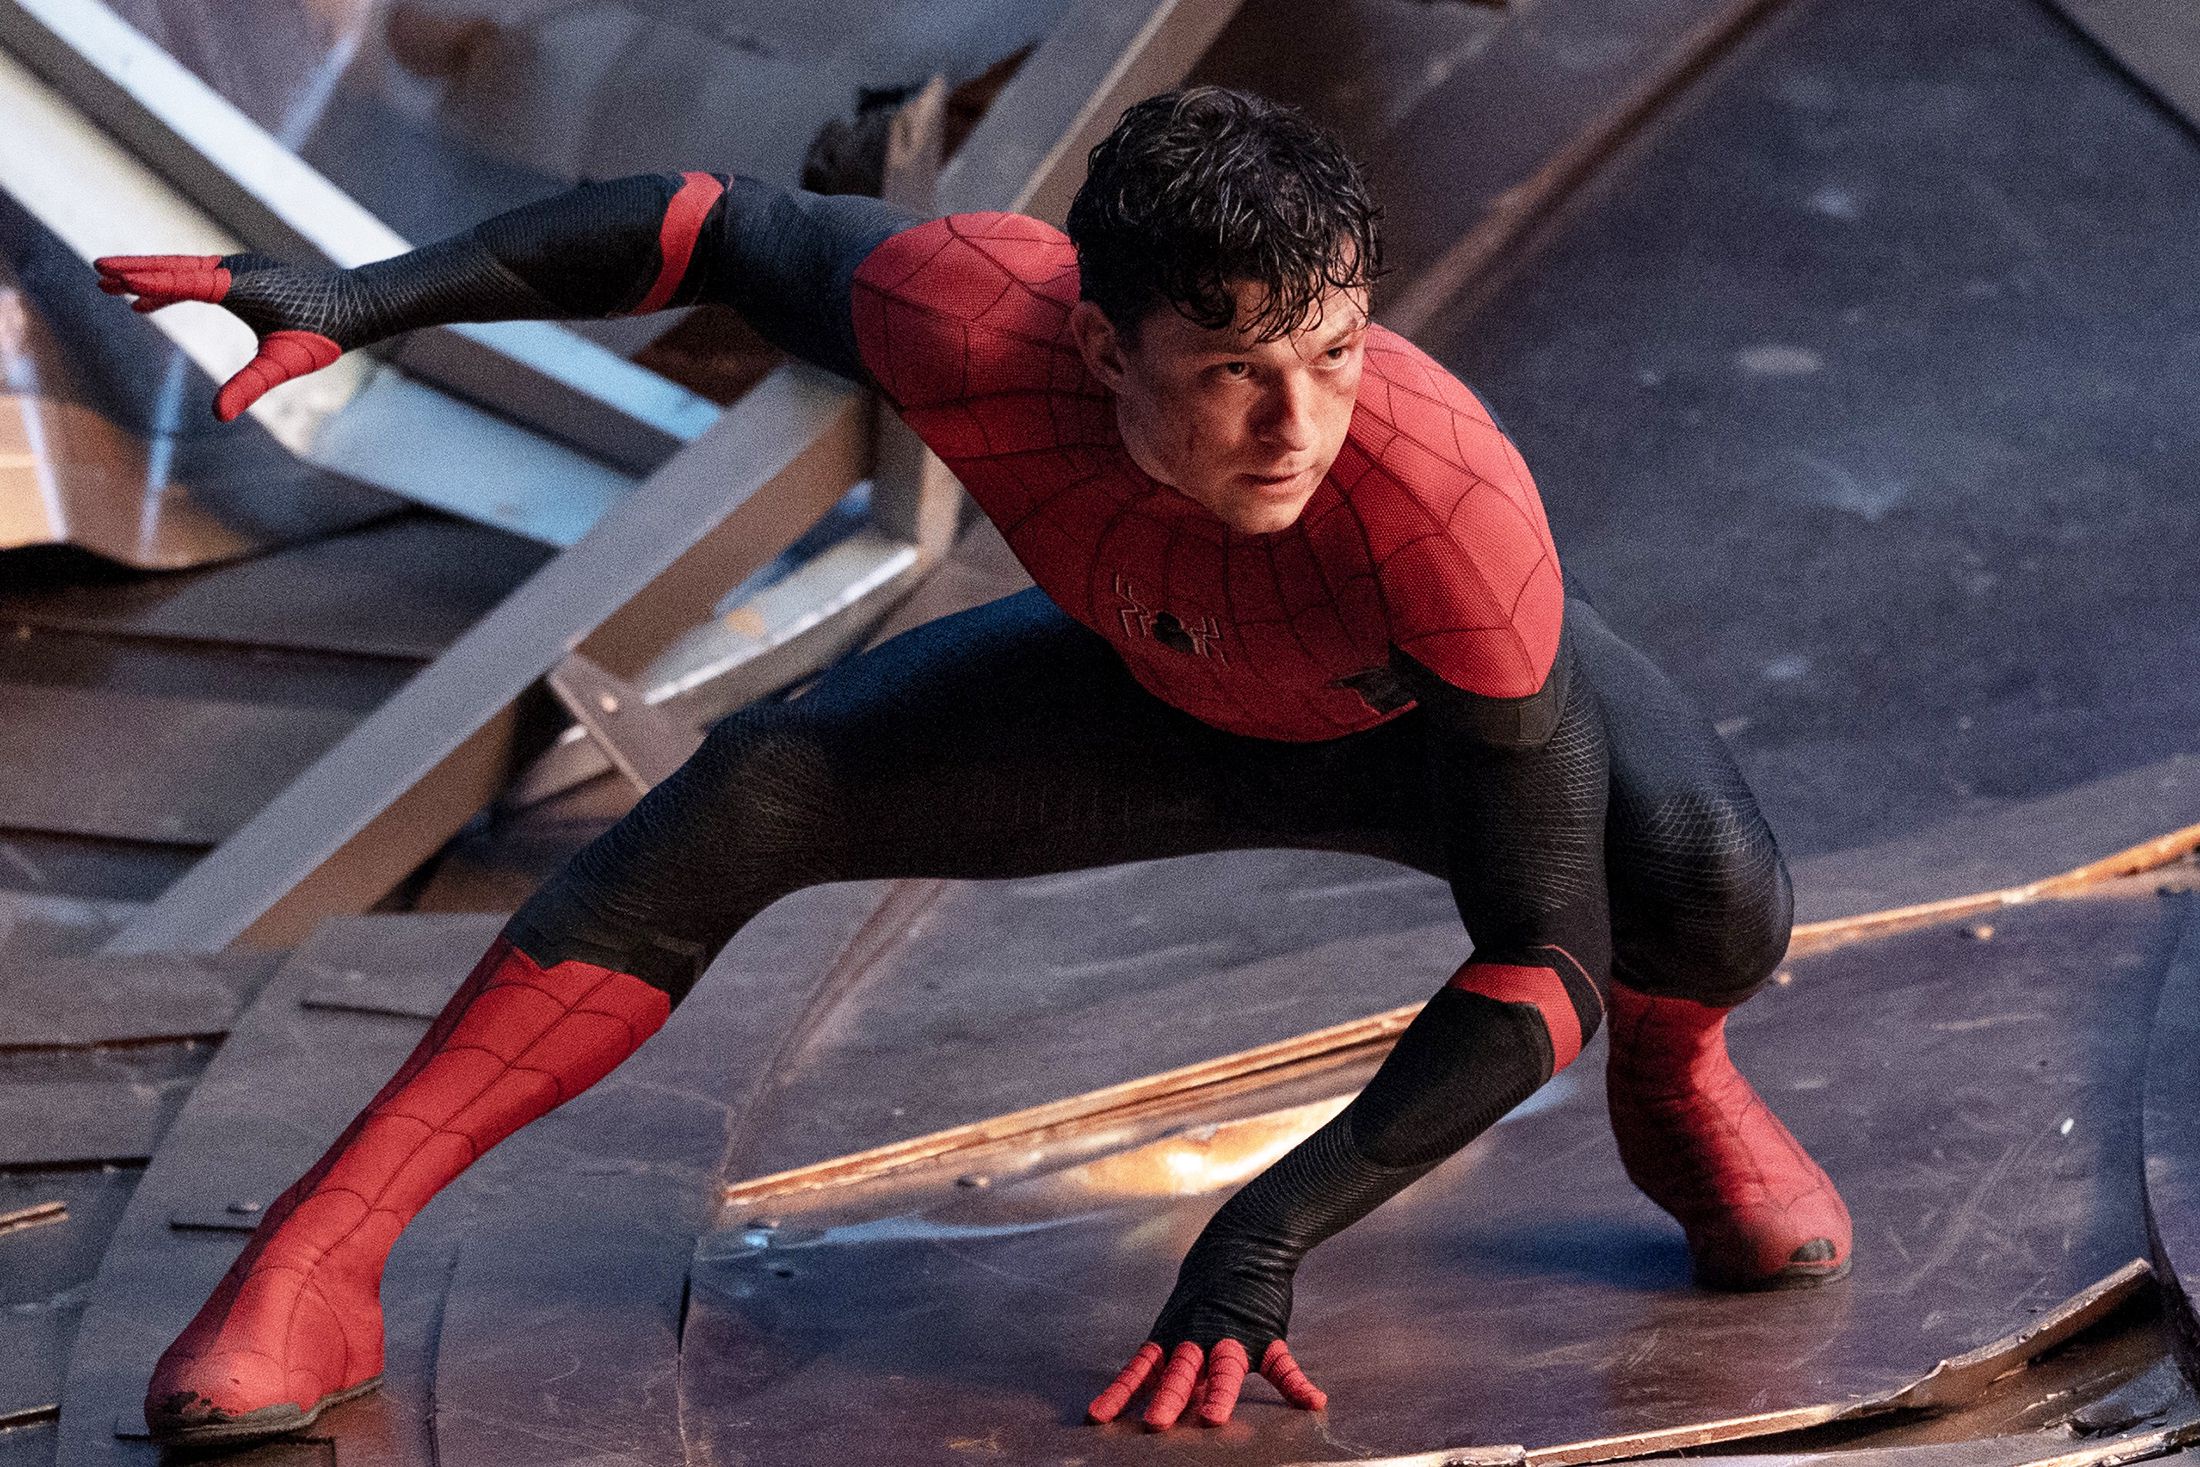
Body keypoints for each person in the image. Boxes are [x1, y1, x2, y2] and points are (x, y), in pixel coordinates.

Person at [97, 85, 1850, 1446]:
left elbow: (1540, 958)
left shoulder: (1445, 510)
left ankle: (1684, 1077)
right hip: (1148, 683)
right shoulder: (974, 309)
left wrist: (1264, 1234)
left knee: (1710, 901)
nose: (1296, 427)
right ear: (1100, 347)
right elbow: (705, 226)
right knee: (751, 790)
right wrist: (369, 299)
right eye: (1232, 373)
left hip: (1410, 738)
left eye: (1334, 356)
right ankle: (315, 1262)